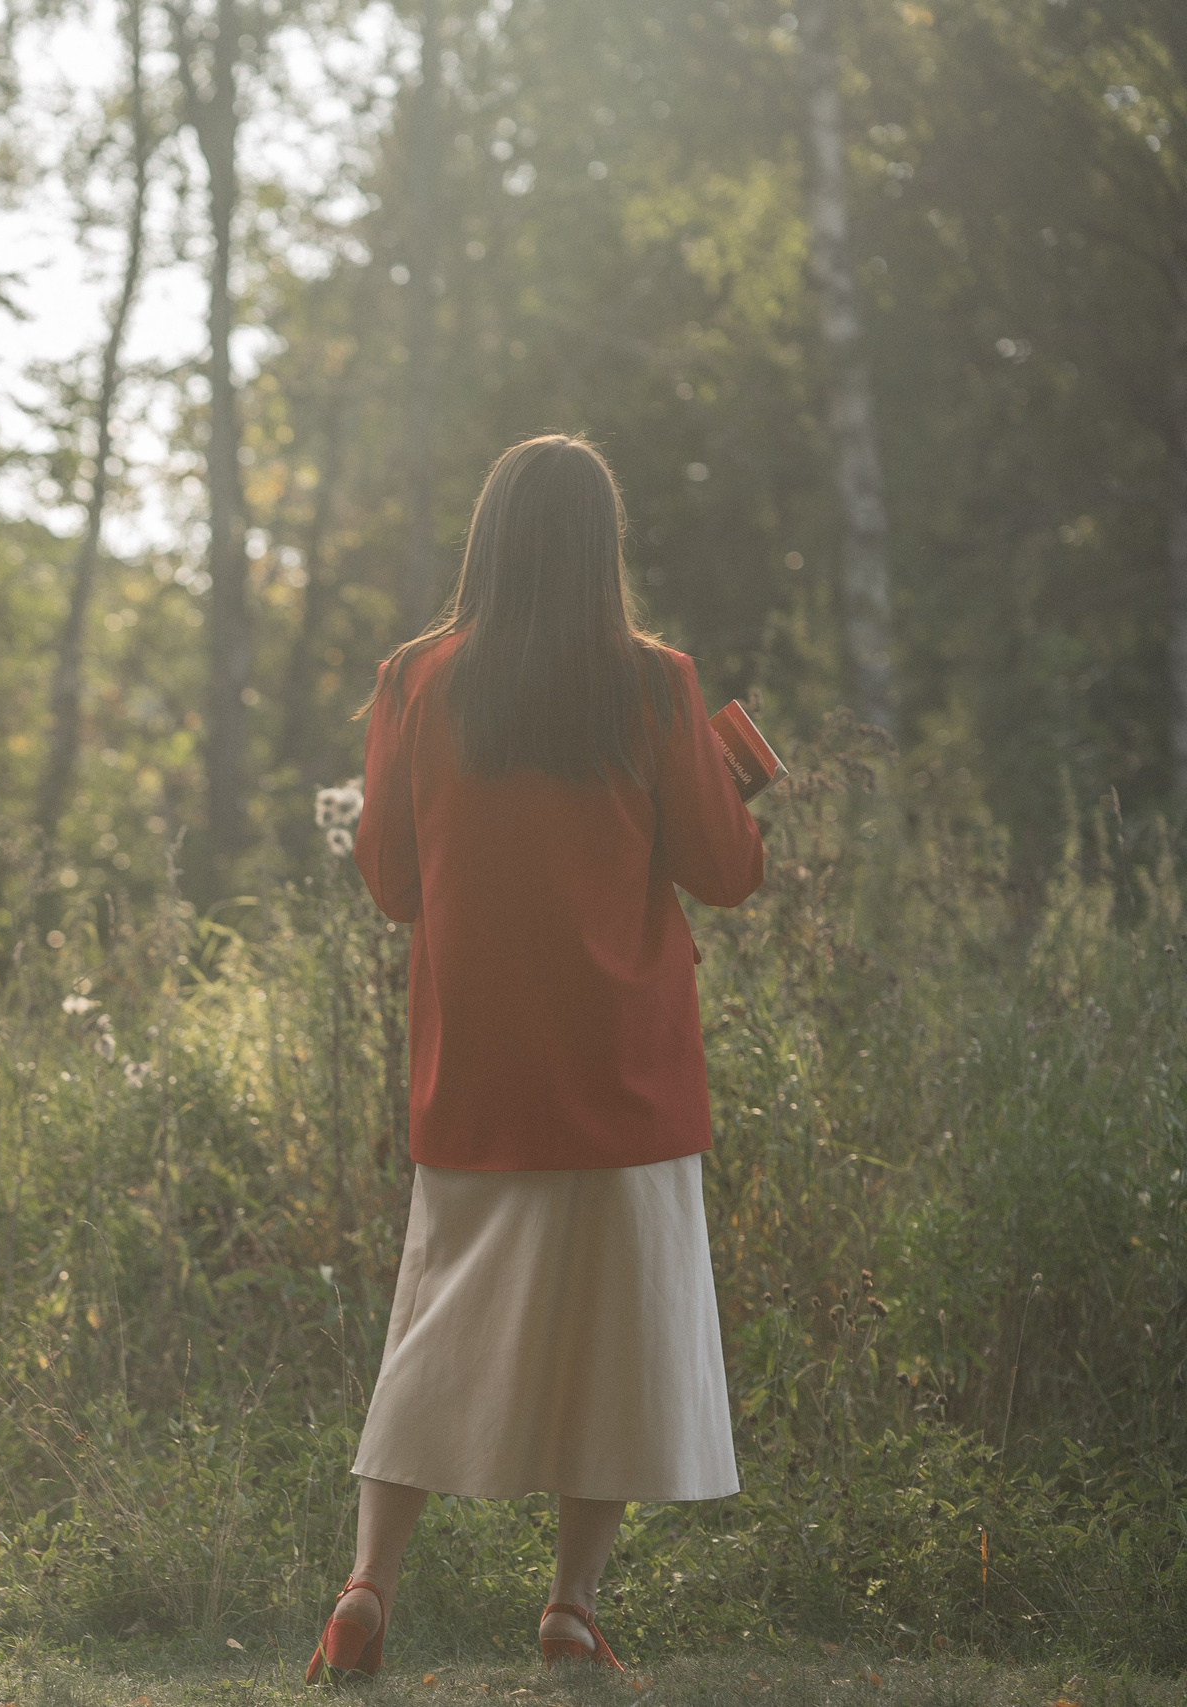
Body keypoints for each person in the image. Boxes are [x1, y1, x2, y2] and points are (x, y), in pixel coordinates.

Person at [304, 434, 766, 1683]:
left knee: (431, 1333)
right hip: (625, 1079)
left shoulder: (416, 680)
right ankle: (568, 1607)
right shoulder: (654, 685)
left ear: (487, 539)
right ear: (602, 547)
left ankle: (365, 1589)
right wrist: (731, 774)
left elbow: (394, 887)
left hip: (478, 1075)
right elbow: (725, 876)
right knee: (614, 1350)